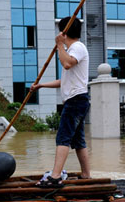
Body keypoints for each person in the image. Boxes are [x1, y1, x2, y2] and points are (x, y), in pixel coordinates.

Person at [31, 16, 91, 187]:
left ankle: (56, 177)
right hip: (77, 100)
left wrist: (59, 45)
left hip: (75, 101)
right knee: (78, 141)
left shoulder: (77, 47)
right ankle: (86, 174)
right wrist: (41, 85)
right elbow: (63, 80)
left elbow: (66, 65)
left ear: (64, 33)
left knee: (63, 137)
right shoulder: (71, 51)